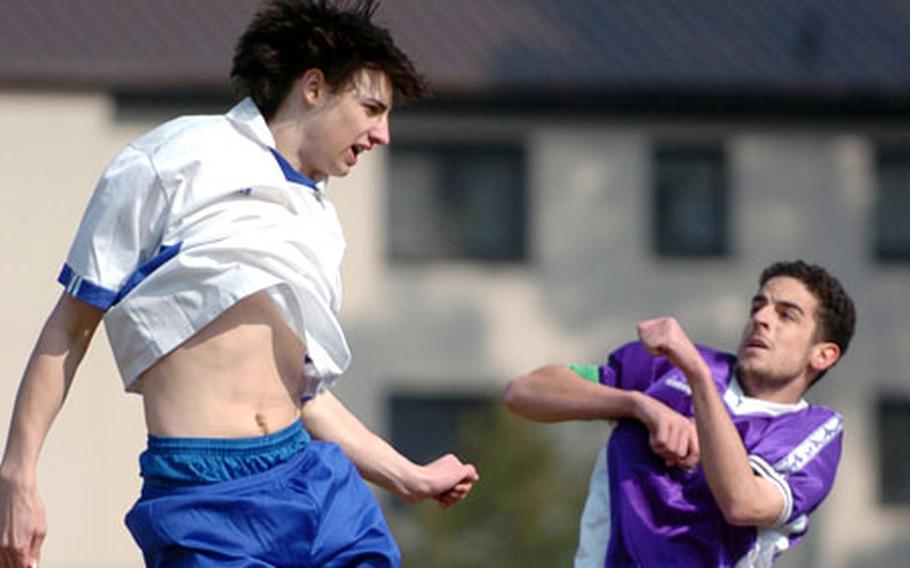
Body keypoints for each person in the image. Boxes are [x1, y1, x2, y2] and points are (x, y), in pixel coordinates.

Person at [0, 1, 478, 566]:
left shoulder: (320, 221)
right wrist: (18, 474)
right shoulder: (171, 158)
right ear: (314, 86)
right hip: (204, 496)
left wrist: (408, 476)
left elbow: (307, 397)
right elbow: (71, 325)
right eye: (372, 108)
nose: (383, 135)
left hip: (312, 479)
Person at [504, 260, 855, 567]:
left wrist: (697, 378)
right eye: (758, 306)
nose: (761, 319)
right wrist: (637, 405)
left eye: (786, 315)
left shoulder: (813, 431)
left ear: (823, 355)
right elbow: (524, 392)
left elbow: (742, 502)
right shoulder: (665, 369)